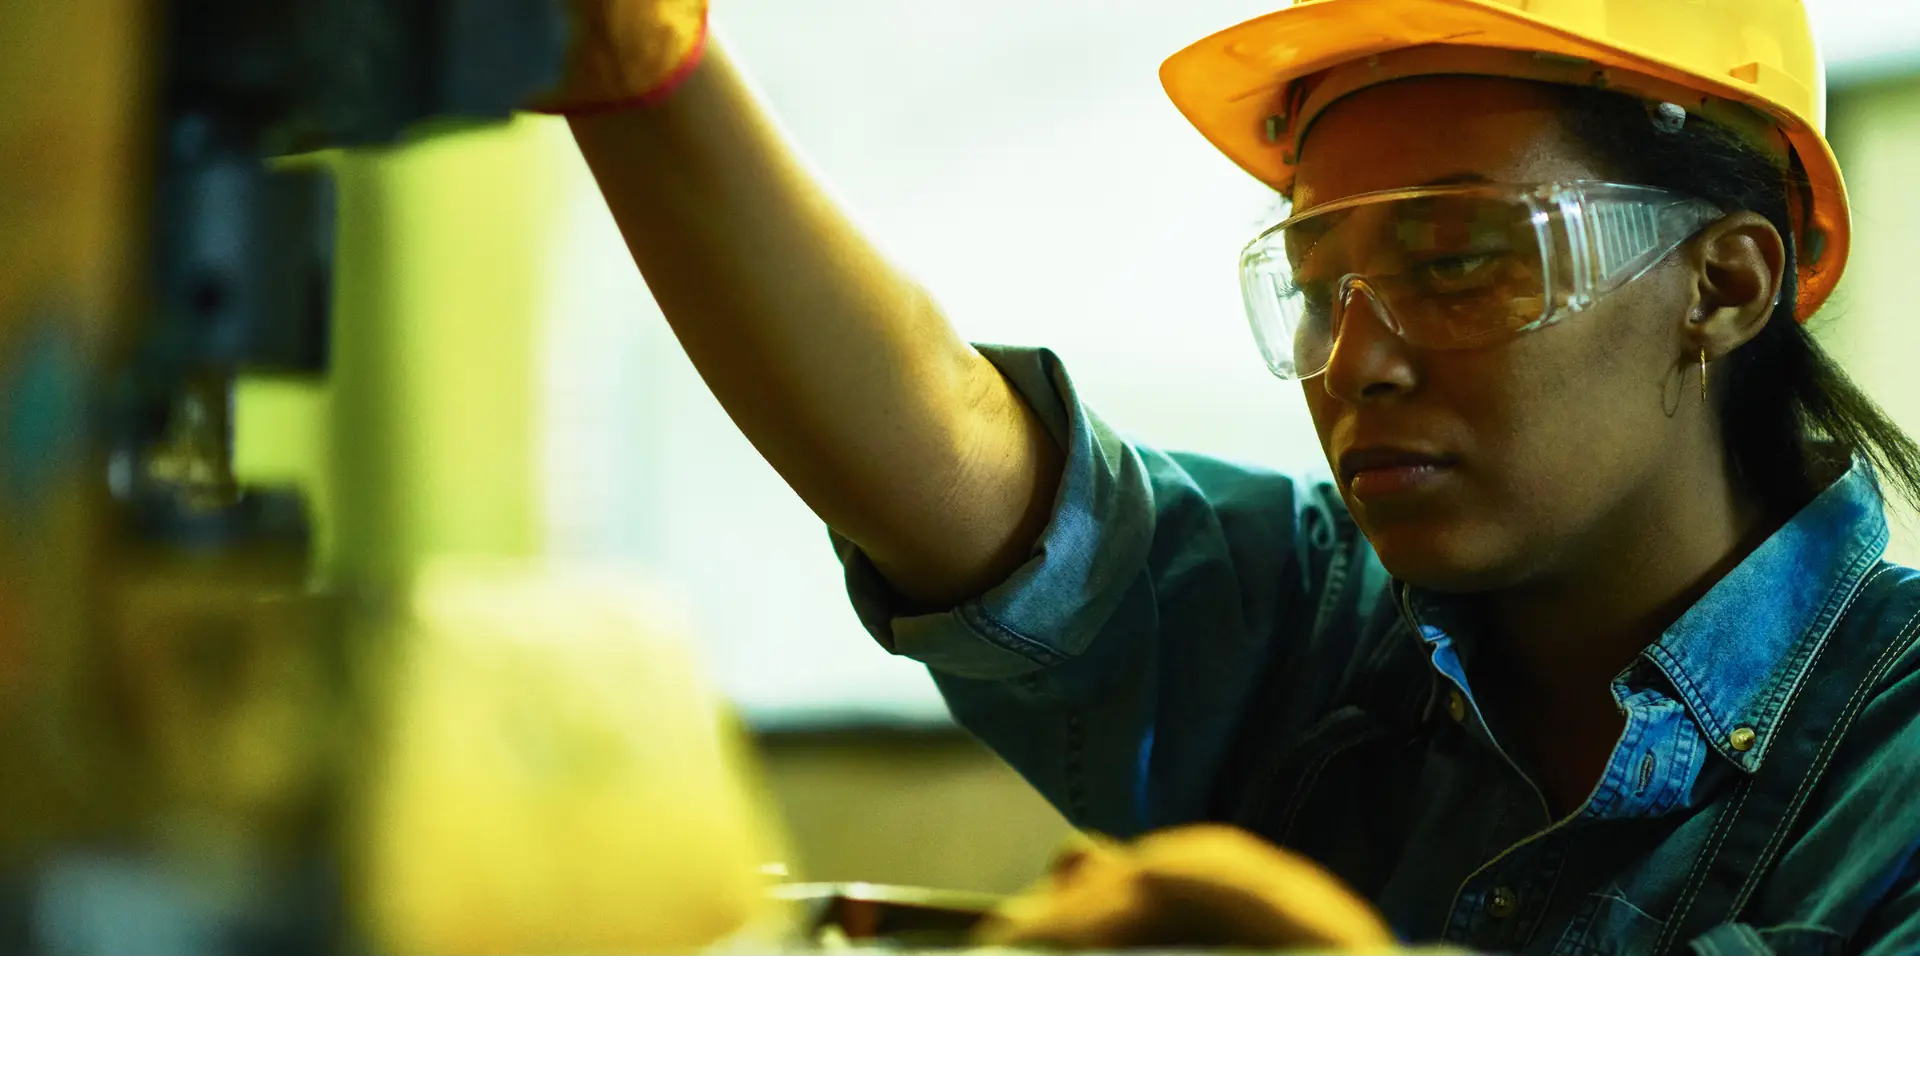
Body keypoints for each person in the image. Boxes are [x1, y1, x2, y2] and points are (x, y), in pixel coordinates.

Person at [543, 0, 1920, 956]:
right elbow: (951, 464)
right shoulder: (1332, 643)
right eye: (1319, 284)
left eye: (1456, 261)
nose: (1357, 361)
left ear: (1726, 285)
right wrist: (639, 65)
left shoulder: (1891, 767)